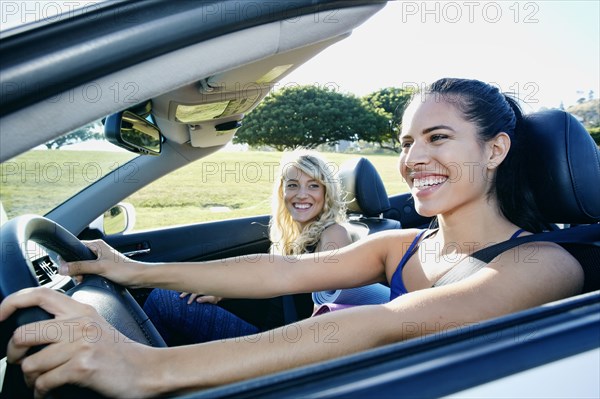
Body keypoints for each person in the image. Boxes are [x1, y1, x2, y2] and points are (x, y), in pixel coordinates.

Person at [1, 78, 583, 399]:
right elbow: (281, 271)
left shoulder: (545, 263)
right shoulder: (402, 244)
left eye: (437, 138)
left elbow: (382, 323)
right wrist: (133, 271)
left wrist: (147, 369)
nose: (413, 159)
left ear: (495, 150)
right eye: (406, 142)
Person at [142, 149, 352, 345]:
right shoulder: (293, 236)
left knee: (165, 301)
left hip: (284, 348)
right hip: (268, 333)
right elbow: (275, 289)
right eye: (293, 185)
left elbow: (332, 313)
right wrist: (221, 293)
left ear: (326, 192)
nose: (302, 194)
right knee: (172, 296)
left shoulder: (333, 234)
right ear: (282, 192)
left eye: (313, 185)